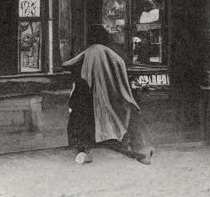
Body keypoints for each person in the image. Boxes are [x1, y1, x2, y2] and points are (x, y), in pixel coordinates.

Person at [62, 24, 153, 165]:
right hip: (108, 99)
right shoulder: (113, 56)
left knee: (80, 125)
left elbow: (70, 66)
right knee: (115, 125)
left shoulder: (86, 54)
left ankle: (82, 151)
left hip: (86, 99)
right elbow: (121, 75)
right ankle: (136, 151)